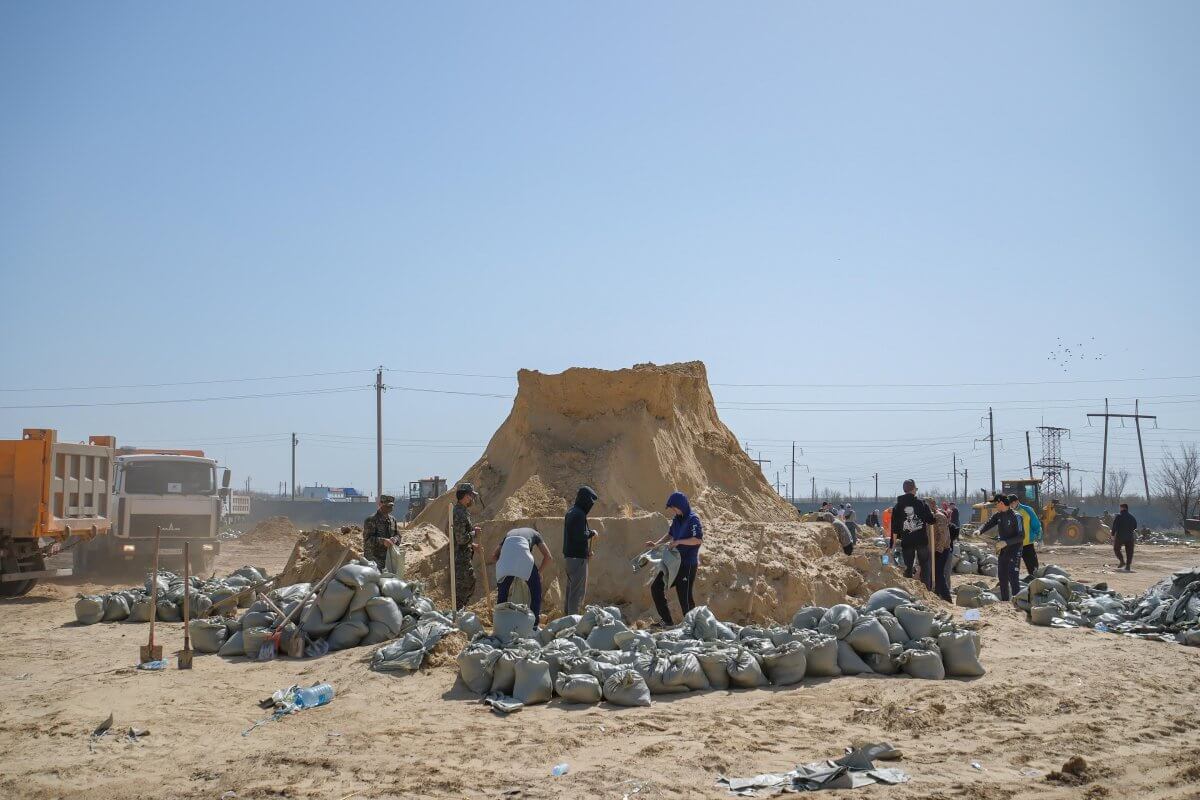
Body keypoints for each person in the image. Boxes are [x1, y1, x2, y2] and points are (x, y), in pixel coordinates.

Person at [644, 491, 703, 625]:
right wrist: (656, 544)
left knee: (685, 597)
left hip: (687, 564)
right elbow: (670, 534)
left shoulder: (693, 519)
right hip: (673, 562)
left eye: (673, 507)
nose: (673, 510)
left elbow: (697, 540)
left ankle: (693, 627)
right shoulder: (677, 519)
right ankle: (667, 622)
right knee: (656, 587)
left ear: (680, 505)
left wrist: (679, 542)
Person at [491, 526, 553, 621]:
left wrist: (506, 566)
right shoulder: (536, 534)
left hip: (505, 561)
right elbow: (548, 557)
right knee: (535, 593)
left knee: (502, 595)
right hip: (523, 558)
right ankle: (534, 626)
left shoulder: (509, 533)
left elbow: (494, 556)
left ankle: (500, 623)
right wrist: (539, 573)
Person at [890, 479, 937, 589]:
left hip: (907, 542)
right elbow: (931, 521)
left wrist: (892, 544)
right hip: (921, 540)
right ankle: (927, 590)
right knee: (924, 565)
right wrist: (933, 514)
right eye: (915, 489)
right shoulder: (921, 504)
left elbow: (895, 528)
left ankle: (908, 590)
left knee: (908, 567)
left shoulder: (898, 506)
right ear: (913, 490)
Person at [978, 493, 1024, 601]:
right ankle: (1005, 602)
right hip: (1003, 551)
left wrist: (1006, 542)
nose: (995, 506)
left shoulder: (1016, 516)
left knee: (1013, 576)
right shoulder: (998, 515)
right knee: (1002, 576)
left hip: (1015, 549)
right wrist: (979, 530)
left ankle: (1017, 602)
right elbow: (988, 523)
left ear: (1001, 503)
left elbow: (1021, 536)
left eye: (995, 504)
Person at [562, 485, 599, 615]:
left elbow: (573, 536)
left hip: (570, 558)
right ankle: (573, 620)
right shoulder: (579, 514)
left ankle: (567, 617)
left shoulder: (571, 512)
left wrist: (586, 551)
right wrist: (591, 533)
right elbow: (580, 535)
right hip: (577, 559)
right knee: (577, 593)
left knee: (570, 590)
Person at [451, 483, 482, 610]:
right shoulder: (459, 513)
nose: (472, 499)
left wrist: (472, 545)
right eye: (471, 496)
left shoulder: (463, 511)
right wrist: (474, 533)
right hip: (460, 558)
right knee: (464, 585)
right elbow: (460, 538)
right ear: (464, 496)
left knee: (469, 583)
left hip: (464, 555)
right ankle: (458, 612)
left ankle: (460, 609)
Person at [362, 494, 401, 572]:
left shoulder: (392, 520)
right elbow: (367, 540)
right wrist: (383, 541)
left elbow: (398, 535)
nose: (390, 508)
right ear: (380, 505)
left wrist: (395, 539)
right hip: (374, 559)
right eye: (387, 506)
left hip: (389, 558)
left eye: (391, 506)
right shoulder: (371, 520)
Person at [925, 498, 953, 601]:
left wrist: (938, 550)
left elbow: (944, 536)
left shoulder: (939, 517)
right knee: (933, 573)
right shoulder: (928, 518)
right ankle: (937, 595)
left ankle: (946, 597)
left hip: (941, 550)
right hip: (933, 550)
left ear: (931, 505)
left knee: (938, 573)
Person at [1011, 493, 1043, 577]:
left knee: (1033, 569)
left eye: (1012, 503)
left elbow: (1036, 525)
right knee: (1012, 570)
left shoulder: (1027, 510)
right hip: (1014, 546)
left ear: (1017, 501)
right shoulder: (1008, 512)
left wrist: (1039, 539)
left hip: (1027, 545)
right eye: (1009, 503)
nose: (1011, 505)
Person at [1111, 503, 1139, 571]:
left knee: (1116, 549)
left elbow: (1114, 526)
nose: (1119, 509)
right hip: (1129, 536)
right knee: (1129, 551)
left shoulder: (1119, 516)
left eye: (1120, 508)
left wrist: (1112, 535)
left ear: (1122, 508)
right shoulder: (1132, 517)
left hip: (1120, 536)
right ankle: (1128, 566)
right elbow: (1135, 526)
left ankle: (1122, 561)